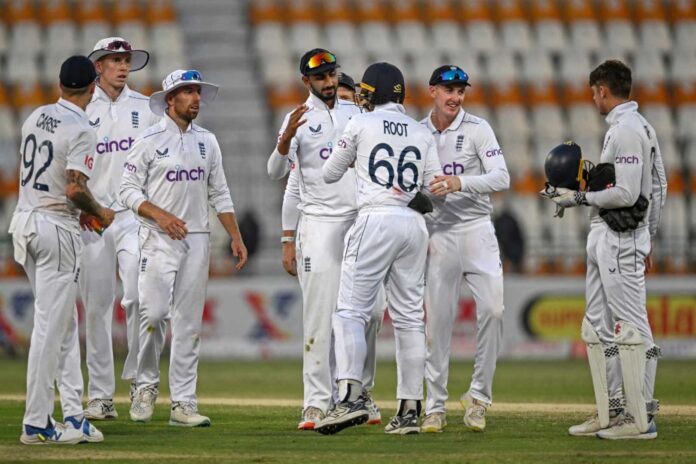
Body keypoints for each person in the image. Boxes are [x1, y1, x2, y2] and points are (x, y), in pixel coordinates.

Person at [315, 62, 444, 435]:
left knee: (349, 313)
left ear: (370, 93)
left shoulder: (359, 123)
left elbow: (329, 173)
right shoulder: (421, 132)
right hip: (412, 224)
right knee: (408, 320)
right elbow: (433, 193)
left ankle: (351, 396)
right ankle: (408, 411)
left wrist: (358, 159)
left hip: (374, 218)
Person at [542, 59, 667, 440]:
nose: (591, 97)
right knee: (598, 326)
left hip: (620, 237)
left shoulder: (629, 130)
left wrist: (577, 197)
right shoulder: (626, 128)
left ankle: (640, 417)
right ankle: (610, 409)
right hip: (606, 235)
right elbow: (658, 186)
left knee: (632, 329)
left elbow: (629, 193)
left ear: (602, 90)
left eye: (592, 91)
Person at [120, 69, 248, 427]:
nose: (196, 98)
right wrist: (161, 217)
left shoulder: (207, 141)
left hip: (198, 240)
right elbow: (127, 190)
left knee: (189, 324)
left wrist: (235, 237)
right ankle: (144, 386)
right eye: (188, 92)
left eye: (198, 92)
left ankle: (183, 404)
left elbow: (219, 193)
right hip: (158, 239)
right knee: (154, 315)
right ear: (170, 100)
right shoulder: (148, 139)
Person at [268, 49, 383, 430]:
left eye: (333, 75)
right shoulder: (297, 119)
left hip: (358, 222)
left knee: (371, 311)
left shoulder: (356, 113)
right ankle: (315, 403)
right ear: (307, 82)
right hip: (318, 224)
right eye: (321, 78)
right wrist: (284, 140)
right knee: (319, 316)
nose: (330, 83)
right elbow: (274, 173)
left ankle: (359, 393)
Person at [10, 56, 115, 444]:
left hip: (25, 223)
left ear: (59, 83)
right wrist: (99, 212)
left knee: (63, 323)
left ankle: (73, 415)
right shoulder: (82, 127)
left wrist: (79, 208)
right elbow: (74, 188)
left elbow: (51, 180)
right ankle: (36, 423)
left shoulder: (35, 116)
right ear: (93, 87)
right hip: (56, 230)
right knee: (50, 329)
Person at [418, 66, 510, 433]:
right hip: (438, 233)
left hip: (476, 230)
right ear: (432, 92)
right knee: (437, 324)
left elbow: (501, 177)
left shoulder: (477, 128)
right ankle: (435, 406)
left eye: (460, 90)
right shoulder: (417, 132)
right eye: (448, 90)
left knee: (493, 310)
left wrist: (459, 183)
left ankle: (478, 398)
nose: (455, 97)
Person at [79, 36, 160, 421]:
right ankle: (100, 396)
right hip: (92, 218)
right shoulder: (80, 108)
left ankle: (143, 384)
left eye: (126, 59)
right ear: (98, 66)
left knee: (139, 298)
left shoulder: (146, 108)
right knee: (96, 309)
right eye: (114, 60)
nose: (123, 66)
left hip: (132, 217)